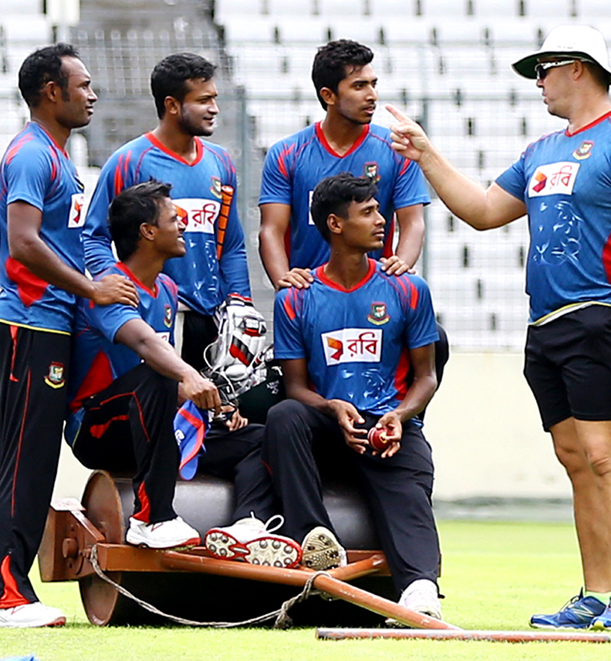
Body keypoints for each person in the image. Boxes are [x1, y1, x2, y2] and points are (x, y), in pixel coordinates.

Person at [387, 25, 611, 631]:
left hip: (604, 317)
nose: (537, 79)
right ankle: (594, 595)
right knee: (574, 457)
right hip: (545, 326)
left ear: (580, 68)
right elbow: (486, 212)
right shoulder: (541, 150)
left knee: (605, 456)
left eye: (545, 67)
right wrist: (426, 155)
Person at [0, 44, 139, 629]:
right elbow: (26, 241)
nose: (93, 94)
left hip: (42, 323)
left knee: (13, 458)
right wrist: (91, 290)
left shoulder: (58, 155)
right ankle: (8, 597)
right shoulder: (32, 154)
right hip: (33, 322)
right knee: (28, 460)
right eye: (82, 84)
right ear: (51, 91)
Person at [67, 181, 301, 567]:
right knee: (161, 375)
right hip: (95, 428)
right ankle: (150, 518)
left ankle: (246, 525)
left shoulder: (168, 289)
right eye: (176, 219)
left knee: (259, 436)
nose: (186, 225)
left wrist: (214, 407)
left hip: (151, 421)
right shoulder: (110, 287)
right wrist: (189, 379)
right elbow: (145, 347)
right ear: (148, 232)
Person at [264, 173, 444, 621]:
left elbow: (427, 378)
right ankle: (315, 544)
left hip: (386, 424)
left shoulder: (408, 289)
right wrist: (330, 406)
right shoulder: (295, 299)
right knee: (285, 416)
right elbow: (295, 387)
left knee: (411, 476)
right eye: (368, 213)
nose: (383, 221)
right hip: (327, 422)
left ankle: (420, 589)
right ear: (335, 224)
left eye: (379, 210)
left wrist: (400, 416)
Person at [259, 38, 448, 385]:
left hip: (373, 295)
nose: (372, 95)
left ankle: (403, 426)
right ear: (329, 95)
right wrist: (284, 281)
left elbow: (413, 222)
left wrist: (402, 264)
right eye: (359, 86)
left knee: (437, 341)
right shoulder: (288, 154)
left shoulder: (394, 149)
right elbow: (271, 229)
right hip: (312, 299)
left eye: (373, 84)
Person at [83, 52, 254, 372]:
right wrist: (116, 283)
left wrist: (240, 303)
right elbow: (94, 236)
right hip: (156, 317)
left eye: (214, 98)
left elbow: (231, 244)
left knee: (211, 414)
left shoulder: (221, 162)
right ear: (172, 105)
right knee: (164, 412)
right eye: (203, 100)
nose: (214, 108)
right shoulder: (128, 162)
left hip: (212, 316)